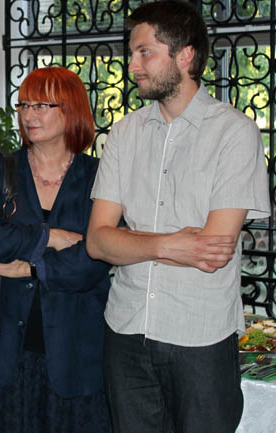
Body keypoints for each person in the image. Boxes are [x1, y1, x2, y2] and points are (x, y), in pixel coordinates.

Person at [85, 2, 270, 432]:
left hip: (200, 337)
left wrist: (131, 242)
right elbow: (97, 241)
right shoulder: (124, 133)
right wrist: (171, 244)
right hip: (125, 331)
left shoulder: (234, 132)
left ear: (185, 55)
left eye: (144, 52)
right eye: (132, 53)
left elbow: (211, 251)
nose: (132, 65)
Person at [0, 67, 112, 433]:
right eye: (24, 105)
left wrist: (31, 268)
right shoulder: (4, 168)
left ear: (71, 110)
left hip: (74, 357)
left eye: (42, 105)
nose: (29, 115)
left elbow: (96, 257)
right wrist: (50, 237)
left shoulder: (99, 175)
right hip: (2, 355)